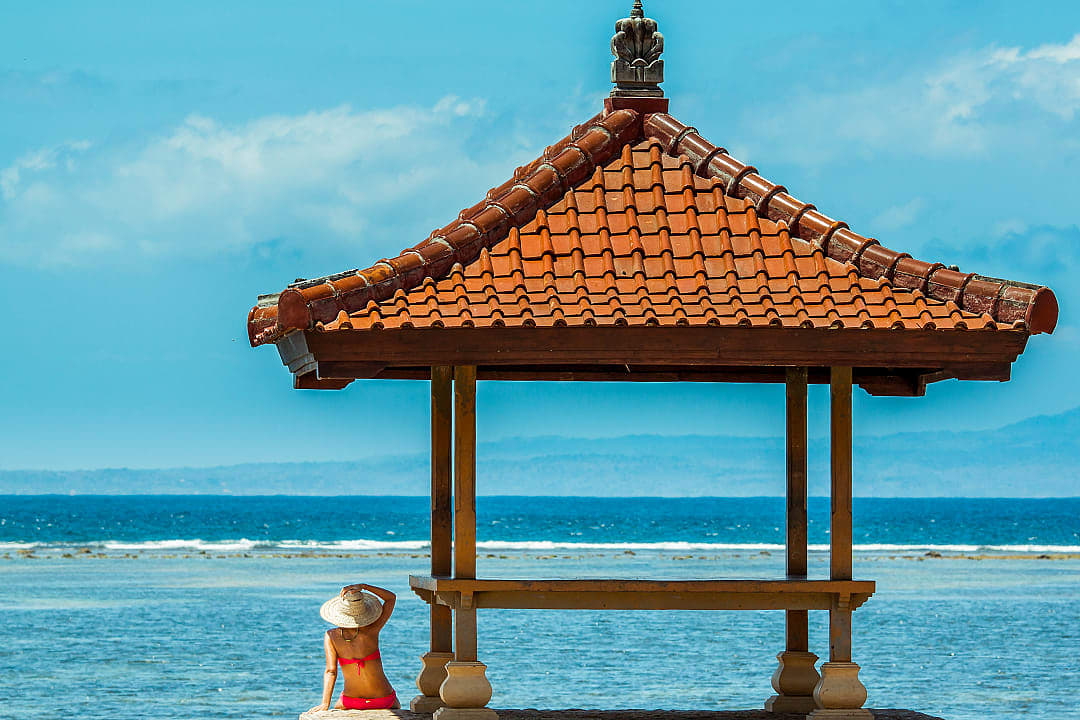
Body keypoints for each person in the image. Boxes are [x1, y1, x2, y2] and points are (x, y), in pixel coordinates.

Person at [308, 583, 398, 712]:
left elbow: (331, 671)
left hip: (351, 701)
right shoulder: (372, 630)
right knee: (396, 703)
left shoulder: (331, 636)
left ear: (339, 613)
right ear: (364, 611)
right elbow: (391, 598)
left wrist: (325, 704)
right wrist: (364, 586)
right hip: (383, 699)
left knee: (337, 707)